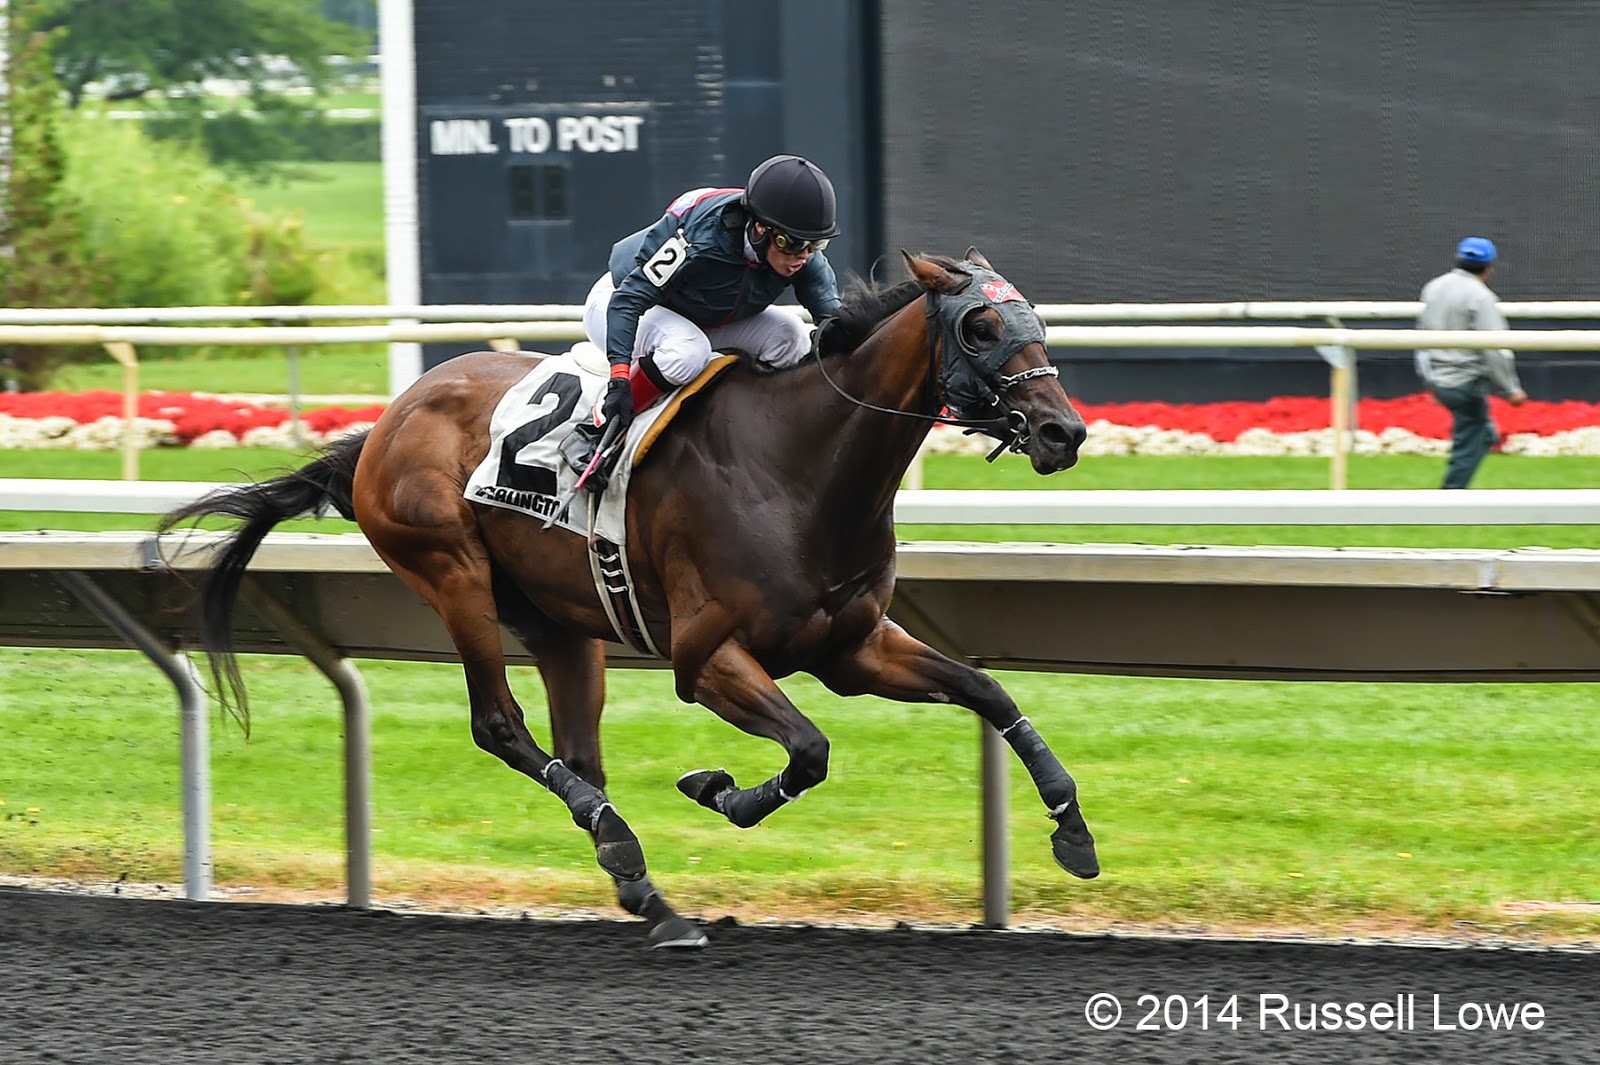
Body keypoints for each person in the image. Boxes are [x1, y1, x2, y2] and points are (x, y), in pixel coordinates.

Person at [559, 154, 844, 481]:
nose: (802, 256)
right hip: (617, 302)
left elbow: (833, 322)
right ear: (761, 228)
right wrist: (620, 379)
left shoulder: (805, 258)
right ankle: (592, 433)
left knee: (792, 334)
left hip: (700, 319)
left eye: (815, 244)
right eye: (791, 243)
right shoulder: (698, 237)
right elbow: (628, 302)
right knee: (687, 351)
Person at [1415, 236, 1527, 489]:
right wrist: (1510, 388)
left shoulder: (1433, 287)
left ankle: (1481, 444)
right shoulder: (1481, 297)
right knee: (1471, 438)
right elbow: (1494, 349)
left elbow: (1420, 338)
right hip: (1465, 383)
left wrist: (1428, 380)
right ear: (1489, 268)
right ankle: (1451, 497)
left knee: (1484, 432)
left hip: (1439, 378)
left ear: (1458, 260)